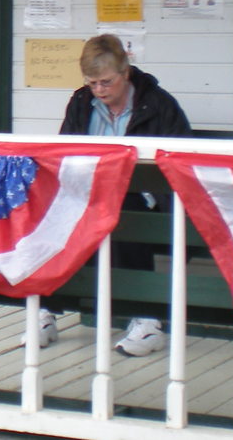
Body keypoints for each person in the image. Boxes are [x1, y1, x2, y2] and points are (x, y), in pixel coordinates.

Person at [34, 33, 192, 355]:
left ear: (125, 72)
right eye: (92, 84)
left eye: (106, 82)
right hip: (87, 195)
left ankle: (147, 319)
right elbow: (65, 151)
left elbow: (181, 160)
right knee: (46, 208)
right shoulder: (81, 102)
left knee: (121, 206)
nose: (99, 90)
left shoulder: (158, 104)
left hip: (145, 202)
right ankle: (44, 310)